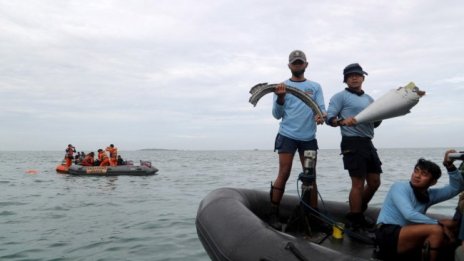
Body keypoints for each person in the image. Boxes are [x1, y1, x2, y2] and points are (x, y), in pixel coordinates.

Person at [269, 50, 326, 229]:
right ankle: (273, 214)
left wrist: (321, 116)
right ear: (289, 65)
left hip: (308, 138)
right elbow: (276, 115)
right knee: (284, 173)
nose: (297, 65)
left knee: (311, 176)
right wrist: (280, 98)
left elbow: (322, 109)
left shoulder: (315, 86)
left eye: (300, 62)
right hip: (287, 136)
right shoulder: (281, 86)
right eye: (294, 63)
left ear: (306, 65)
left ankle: (313, 214)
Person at [375, 150, 463, 261]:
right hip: (387, 234)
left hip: (407, 231)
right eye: (416, 171)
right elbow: (409, 214)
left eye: (424, 174)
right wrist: (439, 225)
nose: (417, 176)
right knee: (436, 230)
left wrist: (449, 166)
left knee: (453, 224)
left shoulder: (429, 194)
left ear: (433, 182)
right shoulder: (400, 187)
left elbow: (456, 188)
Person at [326, 63, 382, 229]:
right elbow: (330, 119)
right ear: (345, 80)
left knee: (374, 182)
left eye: (357, 75)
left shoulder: (370, 99)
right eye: (350, 76)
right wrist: (343, 121)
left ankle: (356, 211)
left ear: (363, 78)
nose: (354, 77)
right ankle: (356, 217)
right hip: (351, 142)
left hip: (367, 142)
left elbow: (375, 123)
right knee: (357, 183)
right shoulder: (340, 97)